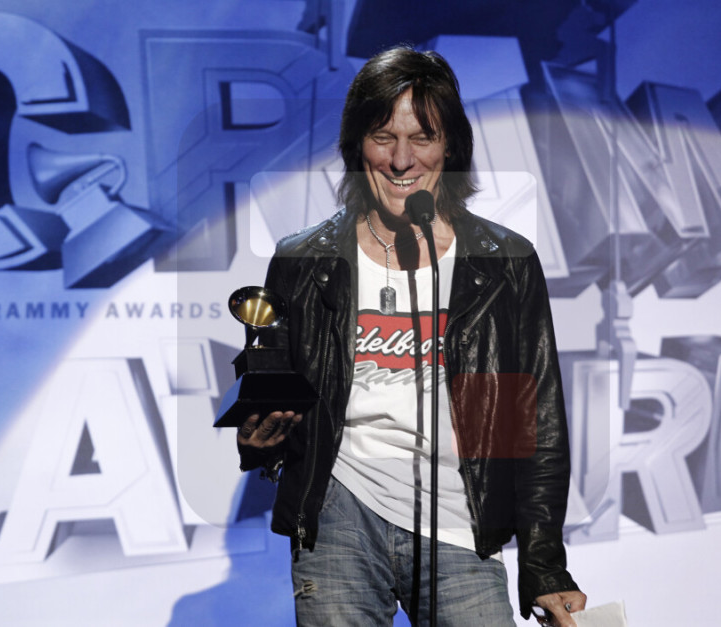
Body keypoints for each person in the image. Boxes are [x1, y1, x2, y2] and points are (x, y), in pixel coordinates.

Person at [236, 45, 585, 626]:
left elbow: (537, 423)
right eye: (383, 137)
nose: (402, 160)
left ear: (450, 146)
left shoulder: (505, 262)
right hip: (340, 513)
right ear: (357, 145)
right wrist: (258, 440)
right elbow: (270, 394)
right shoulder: (303, 261)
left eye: (422, 137)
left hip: (459, 520)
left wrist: (545, 565)